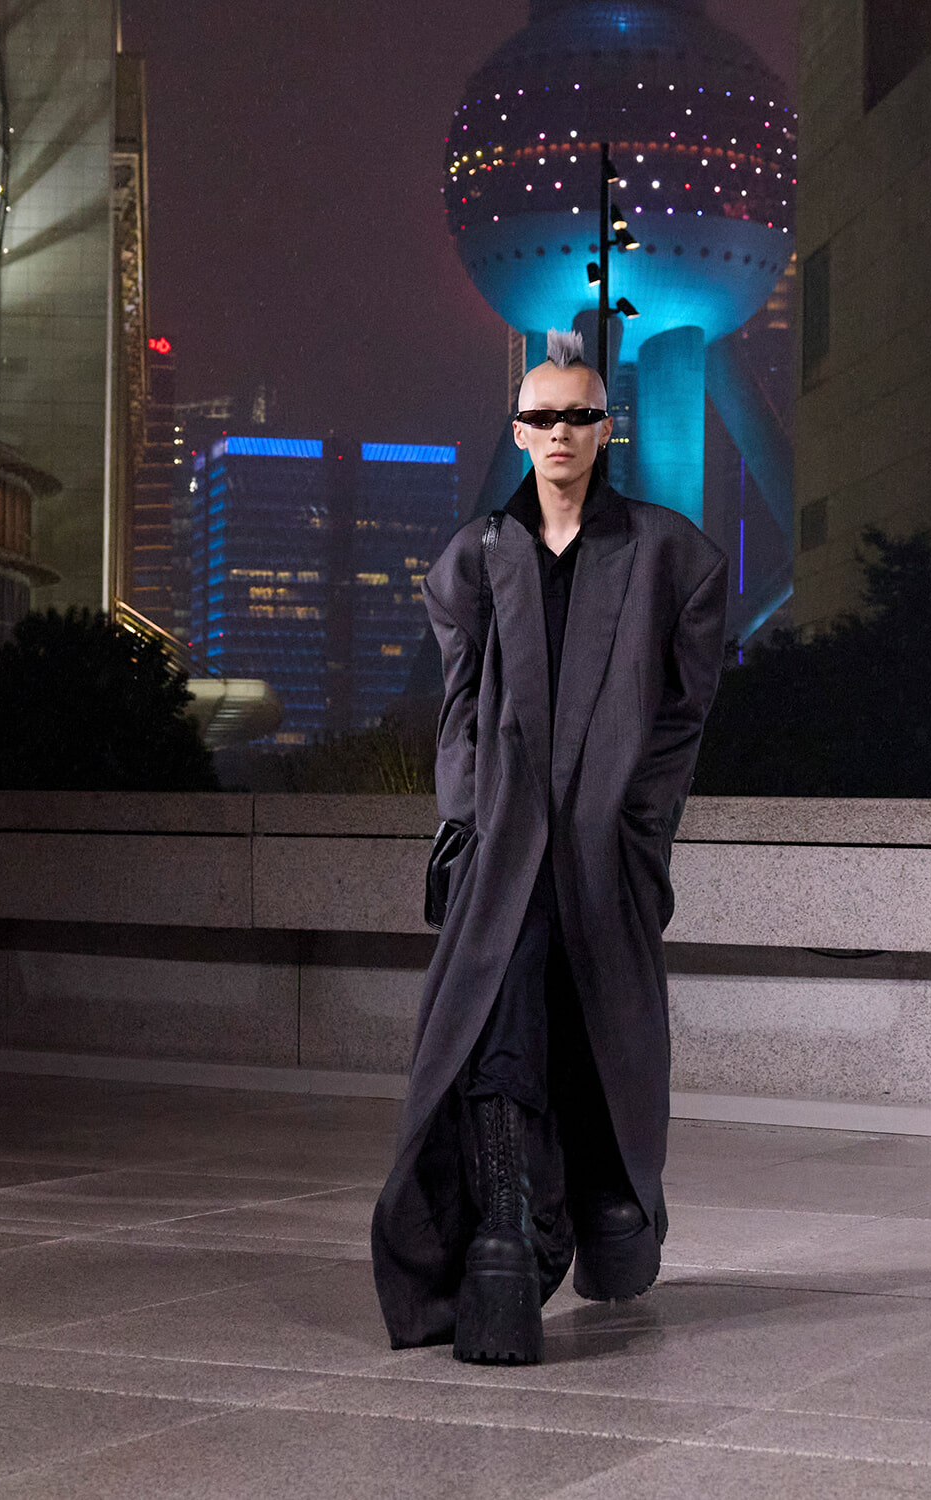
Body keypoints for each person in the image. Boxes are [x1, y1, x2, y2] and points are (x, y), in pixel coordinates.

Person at [371, 329, 728, 1364]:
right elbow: (459, 712)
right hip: (505, 839)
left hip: (606, 842)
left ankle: (611, 1213)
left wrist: (640, 826)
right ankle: (502, 1241)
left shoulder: (673, 555)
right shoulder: (476, 558)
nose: (559, 433)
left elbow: (682, 717)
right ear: (516, 430)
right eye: (540, 417)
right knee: (497, 1016)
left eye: (578, 415)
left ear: (606, 428)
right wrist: (465, 822)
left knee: (597, 1024)